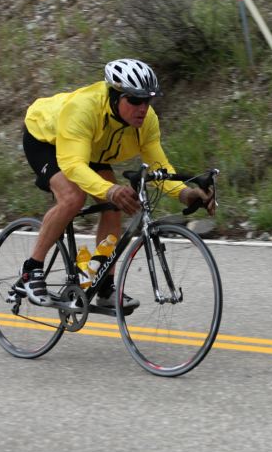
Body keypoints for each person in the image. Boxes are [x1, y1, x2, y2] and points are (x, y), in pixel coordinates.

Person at [19, 58, 214, 308]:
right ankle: (31, 269)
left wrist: (186, 193)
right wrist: (110, 190)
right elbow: (73, 165)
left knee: (115, 208)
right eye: (134, 100)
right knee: (73, 197)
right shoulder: (84, 108)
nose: (142, 108)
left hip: (91, 148)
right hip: (47, 139)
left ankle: (104, 285)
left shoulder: (147, 122)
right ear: (114, 95)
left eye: (147, 100)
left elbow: (158, 168)